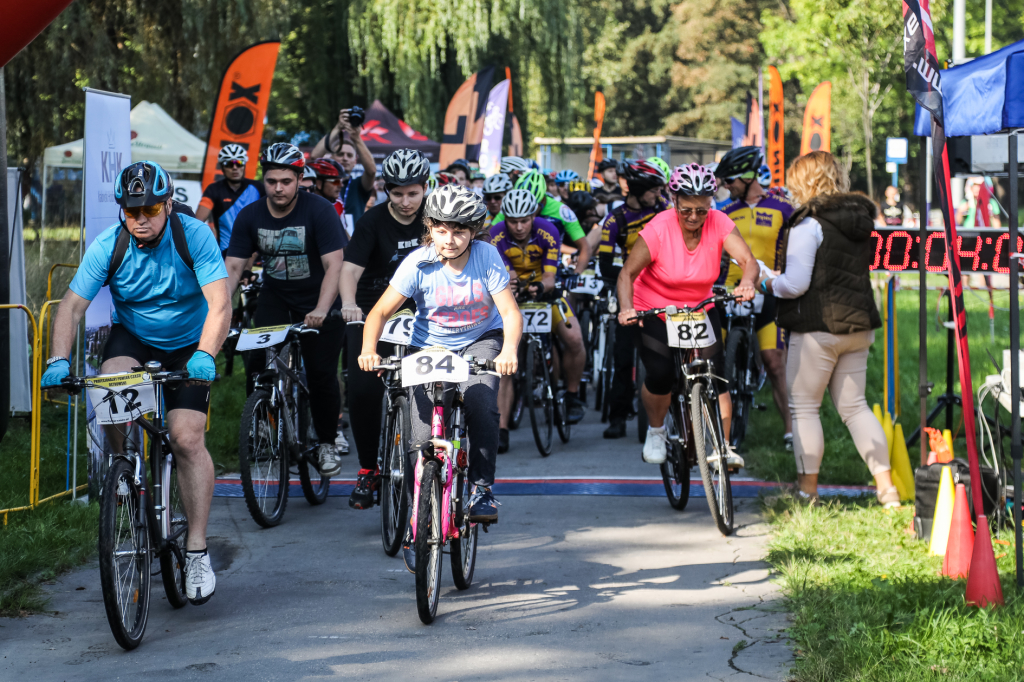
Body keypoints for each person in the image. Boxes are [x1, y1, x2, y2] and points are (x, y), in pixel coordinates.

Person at [42, 160, 231, 605]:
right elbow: (70, 307)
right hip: (135, 337)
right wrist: (57, 359)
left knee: (185, 438)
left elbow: (220, 305)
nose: (140, 219)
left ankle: (198, 549)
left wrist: (205, 354)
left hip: (190, 340)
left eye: (149, 209)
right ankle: (122, 472)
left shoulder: (193, 236)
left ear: (167, 204)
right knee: (109, 383)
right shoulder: (111, 245)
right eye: (131, 211)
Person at [358, 184, 522, 571]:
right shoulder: (418, 261)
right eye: (443, 229)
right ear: (430, 227)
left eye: (461, 230)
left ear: (475, 230)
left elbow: (510, 314)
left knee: (482, 404)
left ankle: (482, 490)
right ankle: (420, 522)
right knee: (421, 443)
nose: (451, 239)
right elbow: (379, 313)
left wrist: (510, 351)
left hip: (481, 341)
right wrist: (369, 350)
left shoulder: (486, 257)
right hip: (428, 348)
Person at [758, 151, 897, 507]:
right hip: (858, 324)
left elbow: (795, 285)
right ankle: (887, 489)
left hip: (817, 327)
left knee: (804, 408)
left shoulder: (809, 224)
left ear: (804, 181)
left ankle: (807, 490)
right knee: (855, 408)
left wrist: (766, 283)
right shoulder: (861, 218)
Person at [617, 163, 757, 468]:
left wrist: (747, 281)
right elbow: (627, 273)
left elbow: (748, 260)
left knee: (716, 373)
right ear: (674, 199)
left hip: (699, 305)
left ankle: (722, 446)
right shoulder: (659, 227)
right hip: (656, 306)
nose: (694, 217)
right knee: (661, 373)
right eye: (686, 210)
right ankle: (656, 431)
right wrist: (627, 308)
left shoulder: (719, 222)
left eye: (702, 210)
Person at [224, 143, 348, 478]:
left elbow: (334, 266)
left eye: (286, 181)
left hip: (320, 300)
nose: (278, 188)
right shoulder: (251, 216)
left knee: (322, 375)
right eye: (272, 180)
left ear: (299, 178)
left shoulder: (319, 211)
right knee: (255, 358)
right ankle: (264, 423)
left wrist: (322, 309)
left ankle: (325, 441)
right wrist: (218, 314)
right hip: (276, 299)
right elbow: (233, 268)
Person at [340, 148, 431, 510]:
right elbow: (349, 270)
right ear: (386, 190)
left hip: (418, 310)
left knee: (427, 384)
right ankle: (367, 470)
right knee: (362, 389)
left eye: (413, 193)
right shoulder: (372, 222)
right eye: (397, 193)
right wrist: (348, 304)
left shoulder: (435, 218)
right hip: (371, 308)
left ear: (426, 188)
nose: (406, 201)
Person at [490, 188, 588, 449]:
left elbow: (549, 276)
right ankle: (501, 429)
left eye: (525, 220)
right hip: (510, 296)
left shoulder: (548, 231)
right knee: (507, 360)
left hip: (543, 293)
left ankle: (572, 394)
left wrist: (541, 288)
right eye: (513, 221)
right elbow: (503, 273)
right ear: (505, 219)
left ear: (534, 215)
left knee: (575, 338)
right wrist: (509, 284)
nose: (519, 227)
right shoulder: (495, 234)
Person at [714, 146, 795, 450]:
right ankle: (716, 425)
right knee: (714, 359)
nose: (726, 186)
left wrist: (784, 274)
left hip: (768, 289)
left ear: (748, 177)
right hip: (728, 292)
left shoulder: (784, 207)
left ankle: (790, 432)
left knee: (774, 362)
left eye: (730, 180)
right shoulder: (723, 213)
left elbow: (796, 249)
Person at [598, 160, 670, 439]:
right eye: (654, 190)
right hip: (628, 290)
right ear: (638, 189)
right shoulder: (615, 219)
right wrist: (632, 274)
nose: (659, 195)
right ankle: (618, 416)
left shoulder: (664, 210)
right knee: (623, 356)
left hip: (663, 290)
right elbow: (605, 266)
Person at [491, 169, 592, 275]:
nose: (528, 210)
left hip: (550, 267)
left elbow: (585, 246)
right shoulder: (513, 206)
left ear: (543, 198)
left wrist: (577, 274)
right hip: (515, 268)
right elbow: (488, 236)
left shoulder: (562, 211)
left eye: (533, 207)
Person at [311, 107, 378, 225]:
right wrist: (338, 127)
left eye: (349, 155)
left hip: (354, 241)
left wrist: (357, 138)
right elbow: (315, 157)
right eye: (340, 154)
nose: (345, 158)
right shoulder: (324, 182)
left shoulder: (358, 185)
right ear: (331, 158)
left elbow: (371, 171)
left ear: (355, 160)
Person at [196, 144, 265, 254]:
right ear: (222, 167)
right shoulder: (214, 189)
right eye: (229, 164)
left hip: (256, 252)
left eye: (239, 163)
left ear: (244, 165)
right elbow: (197, 222)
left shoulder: (258, 187)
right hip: (227, 253)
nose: (234, 167)